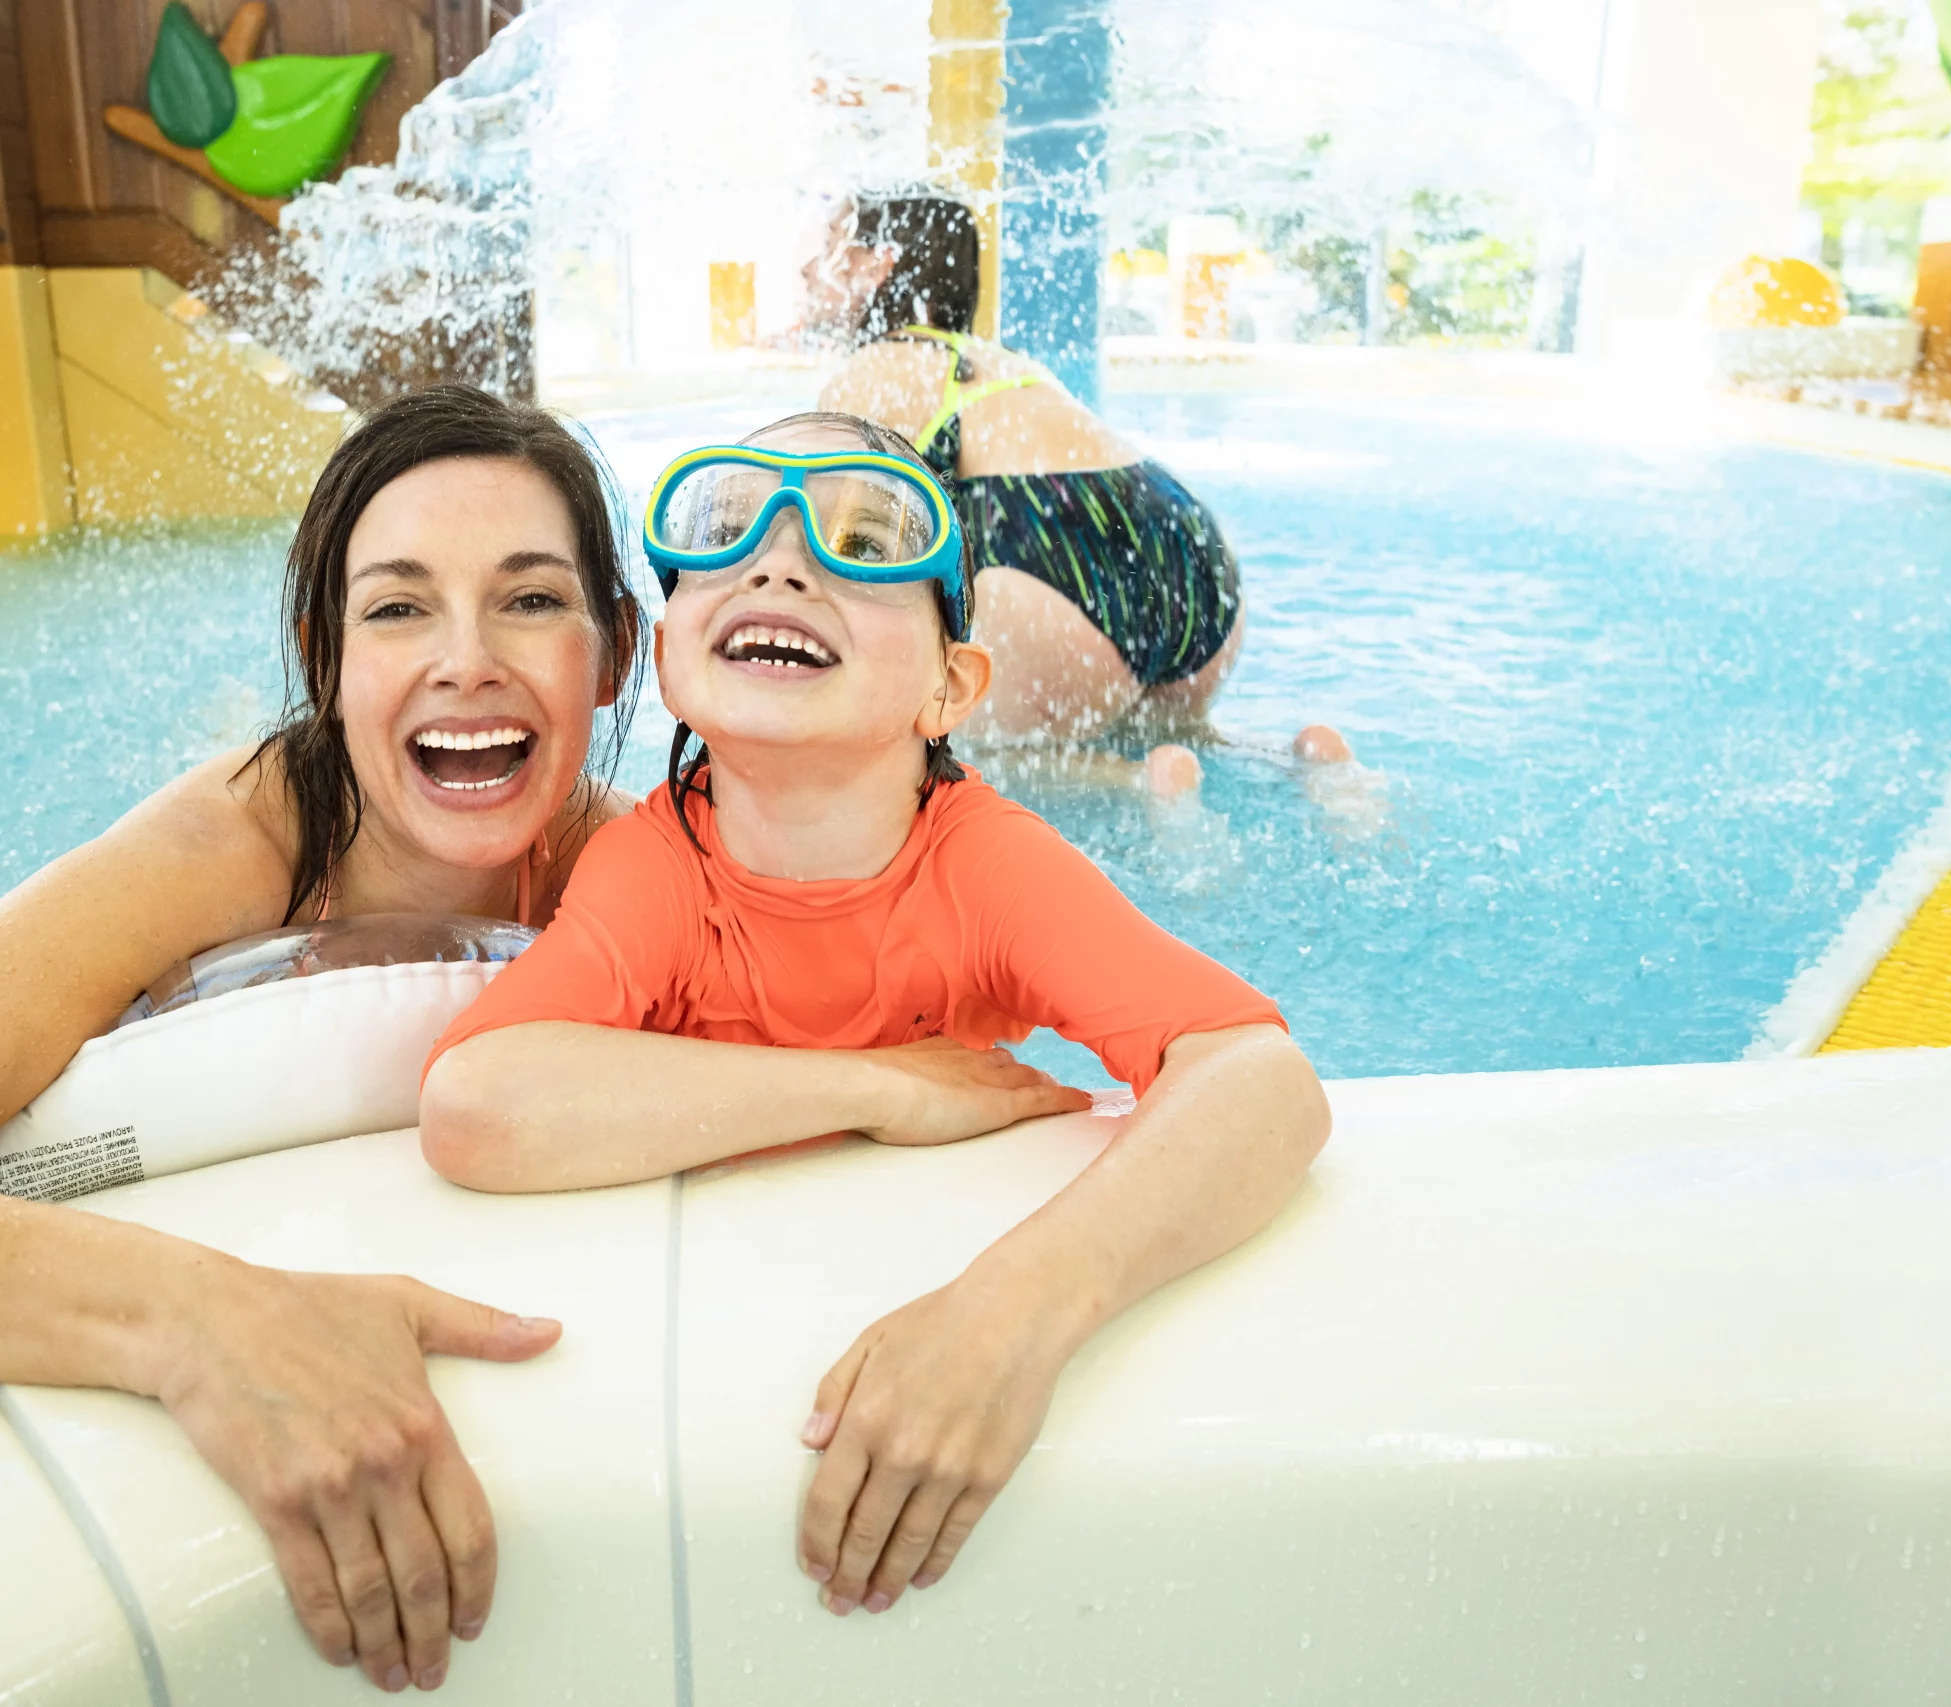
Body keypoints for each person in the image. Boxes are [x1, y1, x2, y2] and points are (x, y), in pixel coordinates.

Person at [0, 386, 659, 1697]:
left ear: (614, 653)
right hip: (95, 1013)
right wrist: (199, 1320)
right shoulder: (230, 844)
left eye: (531, 598)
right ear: (328, 659)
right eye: (397, 606)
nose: (468, 658)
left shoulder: (636, 865)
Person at [417, 412, 1332, 1618]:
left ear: (953, 685)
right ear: (674, 645)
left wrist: (1012, 1313)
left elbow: (1260, 1079)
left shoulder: (989, 869)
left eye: (872, 535)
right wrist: (879, 1086)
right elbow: (476, 1105)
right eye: (727, 528)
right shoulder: (659, 864)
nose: (781, 561)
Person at [803, 191, 1357, 798]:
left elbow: (837, 548)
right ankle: (1300, 760)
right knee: (1175, 727)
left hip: (1053, 563)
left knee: (955, 744)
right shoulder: (999, 361)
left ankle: (1140, 784)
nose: (808, 269)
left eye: (830, 248)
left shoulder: (875, 368)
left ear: (881, 264)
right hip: (1190, 550)